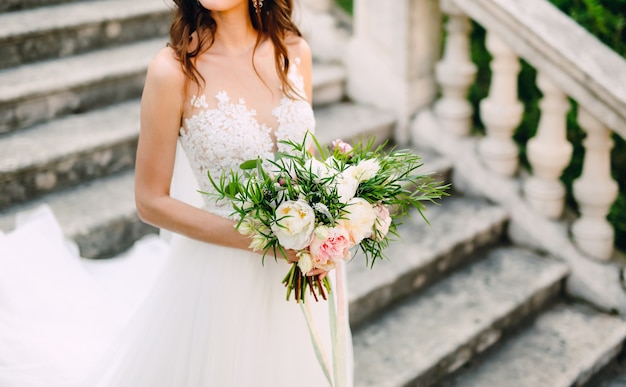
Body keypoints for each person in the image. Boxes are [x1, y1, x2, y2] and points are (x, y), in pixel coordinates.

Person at [0, 0, 353, 385]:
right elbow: (150, 201)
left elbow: (301, 155)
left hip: (301, 270)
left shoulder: (294, 52)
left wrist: (339, 211)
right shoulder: (173, 71)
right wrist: (265, 241)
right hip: (222, 276)